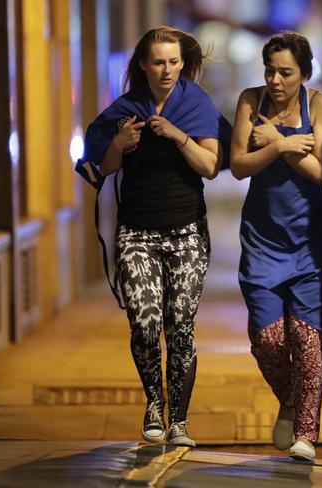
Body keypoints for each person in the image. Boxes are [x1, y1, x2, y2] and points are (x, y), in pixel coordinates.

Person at [76, 26, 230, 447]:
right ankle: (153, 403)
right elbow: (102, 169)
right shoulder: (124, 110)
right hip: (136, 233)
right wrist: (120, 144)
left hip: (186, 234)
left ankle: (179, 418)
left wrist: (178, 136)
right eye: (159, 62)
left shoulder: (197, 104)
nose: (167, 70)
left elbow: (210, 167)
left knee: (180, 327)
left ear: (183, 64)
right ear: (143, 64)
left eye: (174, 62)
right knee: (145, 323)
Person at [231, 31, 322, 462]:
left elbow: (320, 171)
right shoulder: (249, 100)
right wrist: (283, 144)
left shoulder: (320, 103)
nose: (275, 80)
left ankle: (306, 435)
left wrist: (273, 143)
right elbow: (239, 165)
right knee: (268, 340)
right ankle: (293, 400)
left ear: (304, 73)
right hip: (262, 240)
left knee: (308, 339)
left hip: (314, 242)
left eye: (286, 72)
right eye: (270, 71)